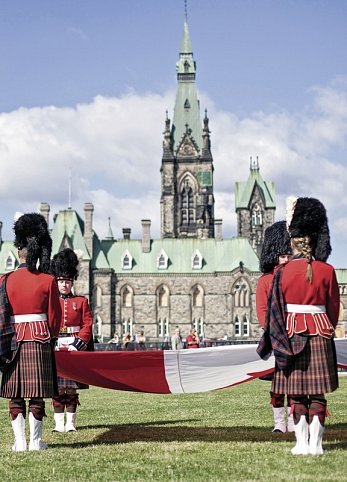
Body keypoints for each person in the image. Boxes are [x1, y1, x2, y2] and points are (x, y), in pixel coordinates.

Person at [258, 197, 339, 456]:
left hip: (291, 335)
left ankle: (301, 443)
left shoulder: (281, 273)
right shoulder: (327, 270)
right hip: (320, 332)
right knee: (317, 394)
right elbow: (334, 308)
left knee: (295, 394)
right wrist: (325, 326)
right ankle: (316, 445)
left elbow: (275, 311)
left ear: (293, 241)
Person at [0, 213, 61, 451]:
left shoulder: (5, 280)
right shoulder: (48, 280)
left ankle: (19, 442)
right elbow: (54, 317)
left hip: (13, 340)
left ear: (18, 251)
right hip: (40, 338)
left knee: (16, 395)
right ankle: (36, 442)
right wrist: (52, 336)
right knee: (37, 394)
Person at [256, 220, 294, 433]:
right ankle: (280, 424)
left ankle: (295, 422)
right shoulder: (265, 280)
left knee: (296, 384)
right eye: (282, 256)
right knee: (278, 385)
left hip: (295, 334)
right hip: (275, 337)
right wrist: (268, 331)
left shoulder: (295, 276)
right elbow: (262, 309)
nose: (286, 259)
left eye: (289, 255)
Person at [50, 248, 93, 432]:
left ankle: (71, 424)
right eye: (61, 281)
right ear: (57, 282)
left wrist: (80, 342)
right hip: (57, 345)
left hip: (75, 346)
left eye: (67, 281)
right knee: (58, 389)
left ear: (72, 282)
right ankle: (59, 425)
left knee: (71, 389)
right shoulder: (51, 301)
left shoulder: (81, 301)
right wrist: (52, 340)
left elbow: (87, 323)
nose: (64, 285)